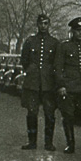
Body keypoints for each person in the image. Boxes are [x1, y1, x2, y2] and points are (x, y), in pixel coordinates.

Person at [54, 17, 81, 154]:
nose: (80, 33)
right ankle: (70, 144)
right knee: (68, 115)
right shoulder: (64, 46)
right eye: (77, 30)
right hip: (69, 87)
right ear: (72, 31)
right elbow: (58, 67)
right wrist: (61, 85)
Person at [20, 13, 59, 151]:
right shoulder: (30, 41)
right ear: (37, 24)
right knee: (32, 113)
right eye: (41, 23)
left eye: (46, 23)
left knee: (49, 114)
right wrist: (32, 71)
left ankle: (49, 143)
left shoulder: (54, 42)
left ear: (49, 25)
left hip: (48, 84)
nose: (43, 26)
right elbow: (24, 60)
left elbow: (57, 63)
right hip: (33, 83)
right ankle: (32, 142)